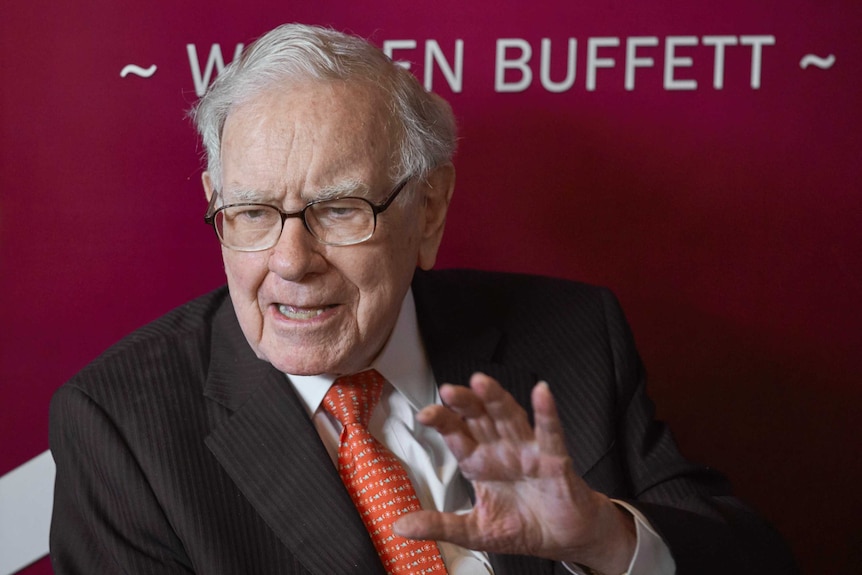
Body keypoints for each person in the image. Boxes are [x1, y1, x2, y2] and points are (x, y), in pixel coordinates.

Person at [49, 23, 798, 575]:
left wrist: (603, 536)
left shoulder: (575, 337)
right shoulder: (122, 426)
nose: (289, 262)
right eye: (250, 213)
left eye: (340, 209)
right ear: (216, 202)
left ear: (429, 209)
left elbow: (757, 562)